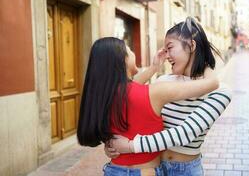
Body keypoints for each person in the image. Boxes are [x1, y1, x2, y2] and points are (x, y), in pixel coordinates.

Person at [77, 36, 223, 176]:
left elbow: (131, 88)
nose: (133, 52)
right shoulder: (155, 92)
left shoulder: (105, 96)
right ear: (122, 59)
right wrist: (203, 61)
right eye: (129, 50)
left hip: (114, 170)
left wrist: (154, 67)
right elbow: (212, 83)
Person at [106, 17, 232, 176]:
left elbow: (185, 133)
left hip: (185, 171)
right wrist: (153, 68)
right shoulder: (163, 81)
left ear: (192, 45)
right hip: (155, 167)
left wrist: (130, 146)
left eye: (170, 48)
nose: (166, 55)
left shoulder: (220, 91)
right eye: (164, 50)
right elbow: (126, 94)